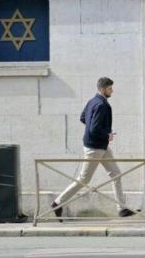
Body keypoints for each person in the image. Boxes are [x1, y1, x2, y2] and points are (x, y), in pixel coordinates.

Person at [51, 77, 136, 218]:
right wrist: (107, 135)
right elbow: (94, 128)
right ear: (103, 89)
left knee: (116, 175)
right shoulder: (102, 105)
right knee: (84, 179)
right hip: (95, 148)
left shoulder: (92, 101)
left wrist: (99, 133)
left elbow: (83, 118)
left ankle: (122, 209)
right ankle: (57, 203)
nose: (112, 91)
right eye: (110, 88)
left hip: (100, 146)